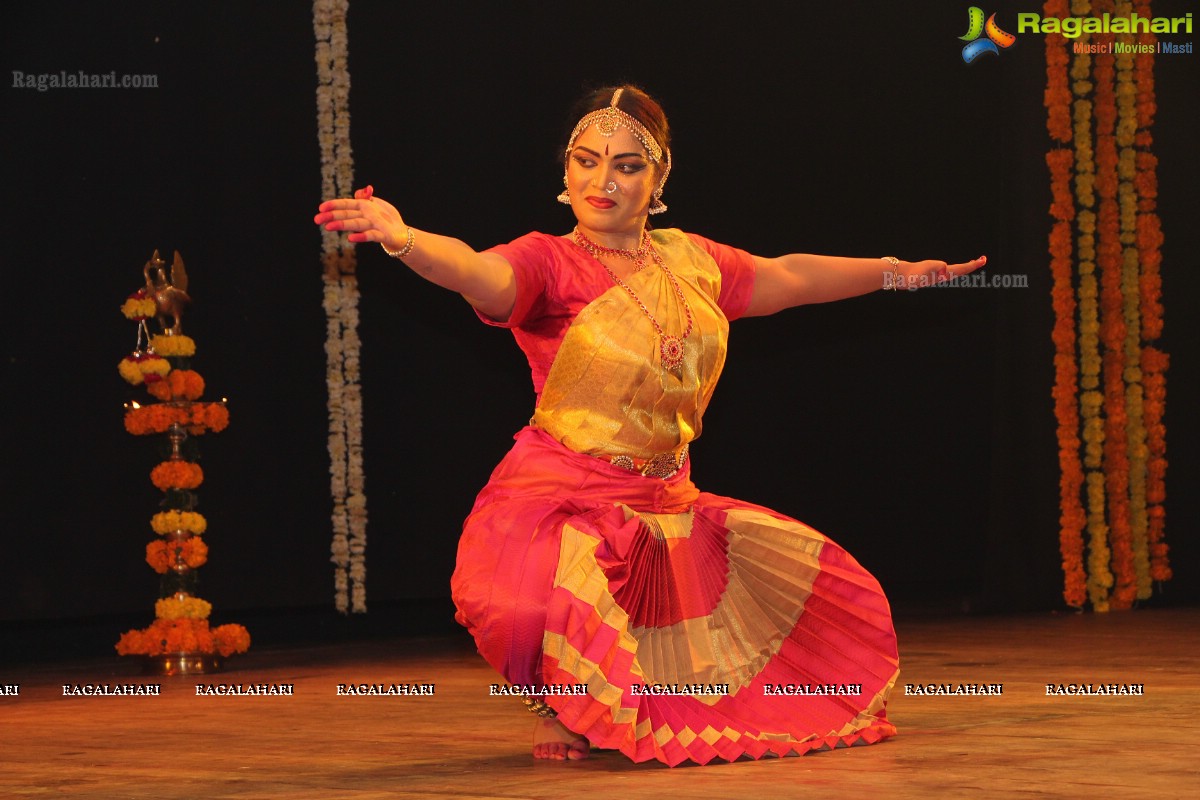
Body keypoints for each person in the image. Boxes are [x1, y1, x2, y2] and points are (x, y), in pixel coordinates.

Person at [314, 84, 985, 766]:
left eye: (627, 165)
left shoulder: (690, 261)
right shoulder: (548, 261)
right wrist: (404, 240)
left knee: (816, 601)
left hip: (666, 500)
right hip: (563, 491)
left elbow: (790, 277)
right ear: (565, 170)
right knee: (517, 607)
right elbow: (477, 273)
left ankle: (602, 698)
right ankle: (557, 704)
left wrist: (896, 273)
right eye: (586, 160)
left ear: (659, 178)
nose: (602, 181)